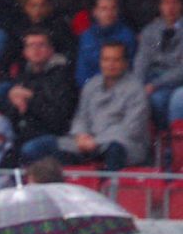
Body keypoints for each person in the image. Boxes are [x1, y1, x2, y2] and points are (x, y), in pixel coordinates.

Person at [22, 41, 150, 171]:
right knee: (35, 148)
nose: (110, 64)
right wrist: (81, 135)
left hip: (122, 144)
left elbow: (132, 128)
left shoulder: (136, 89)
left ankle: (110, 184)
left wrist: (97, 141)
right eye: (106, 60)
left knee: (114, 149)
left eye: (116, 60)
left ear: (125, 63)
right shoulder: (92, 85)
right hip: (86, 143)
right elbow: (81, 116)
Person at [0, 27, 77, 161]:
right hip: (26, 135)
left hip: (55, 138)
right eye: (31, 45)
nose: (36, 50)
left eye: (41, 45)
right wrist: (15, 103)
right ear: (25, 52)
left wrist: (30, 98)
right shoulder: (23, 77)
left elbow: (58, 120)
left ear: (51, 50)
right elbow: (13, 118)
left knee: (28, 150)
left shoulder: (63, 77)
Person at [133, 0, 183, 129]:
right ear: (160, 6)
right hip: (152, 80)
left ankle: (172, 137)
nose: (170, 7)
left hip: (176, 82)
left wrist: (156, 84)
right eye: (166, 2)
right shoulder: (150, 30)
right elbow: (141, 61)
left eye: (175, 2)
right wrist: (137, 87)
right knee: (146, 99)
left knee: (169, 100)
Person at [75, 0, 136, 89]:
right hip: (91, 89)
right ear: (95, 12)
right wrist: (91, 89)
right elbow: (82, 71)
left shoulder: (126, 35)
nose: (109, 13)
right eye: (104, 9)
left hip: (120, 89)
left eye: (113, 8)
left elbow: (128, 69)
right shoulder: (87, 36)